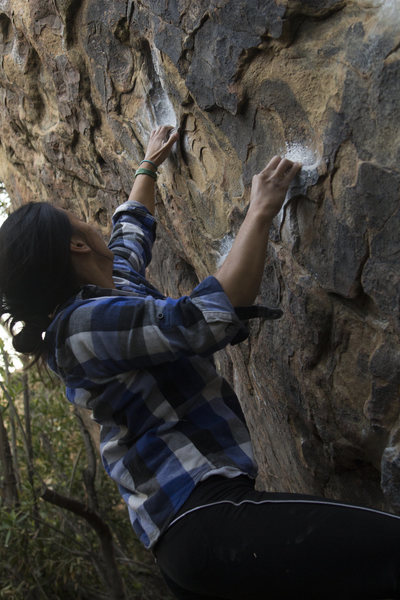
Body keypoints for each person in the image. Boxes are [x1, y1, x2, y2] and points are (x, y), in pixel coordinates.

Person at [1, 125, 400, 600]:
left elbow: (130, 229)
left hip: (198, 534)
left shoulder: (112, 288)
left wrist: (149, 164)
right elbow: (209, 315)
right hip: (203, 520)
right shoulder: (79, 329)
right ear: (77, 245)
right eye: (78, 220)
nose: (90, 221)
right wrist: (262, 208)